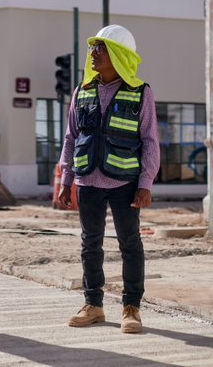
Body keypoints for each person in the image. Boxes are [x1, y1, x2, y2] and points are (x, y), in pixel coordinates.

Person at [58, 25, 160, 334]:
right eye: (92, 48)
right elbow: (72, 136)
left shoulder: (141, 92)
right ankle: (94, 305)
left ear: (117, 55)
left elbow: (150, 140)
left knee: (130, 244)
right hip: (88, 180)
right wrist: (66, 177)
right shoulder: (82, 90)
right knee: (90, 244)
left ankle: (132, 308)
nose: (93, 53)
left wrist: (145, 183)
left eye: (100, 49)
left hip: (125, 183)